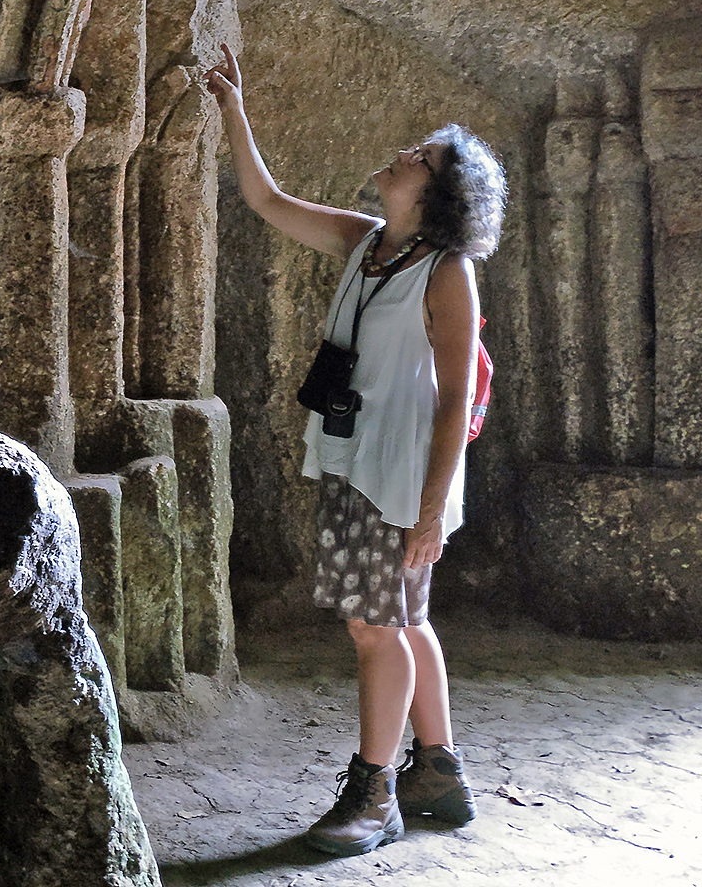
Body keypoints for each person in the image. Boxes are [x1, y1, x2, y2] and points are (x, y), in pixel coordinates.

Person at [205, 43, 506, 857]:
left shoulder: (446, 272)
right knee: (404, 619)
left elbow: (453, 400)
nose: (405, 155)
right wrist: (234, 109)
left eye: (423, 159)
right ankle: (439, 773)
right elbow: (265, 199)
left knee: (375, 630)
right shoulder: (370, 242)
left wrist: (432, 510)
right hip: (357, 456)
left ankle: (374, 796)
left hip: (402, 474)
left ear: (440, 197)